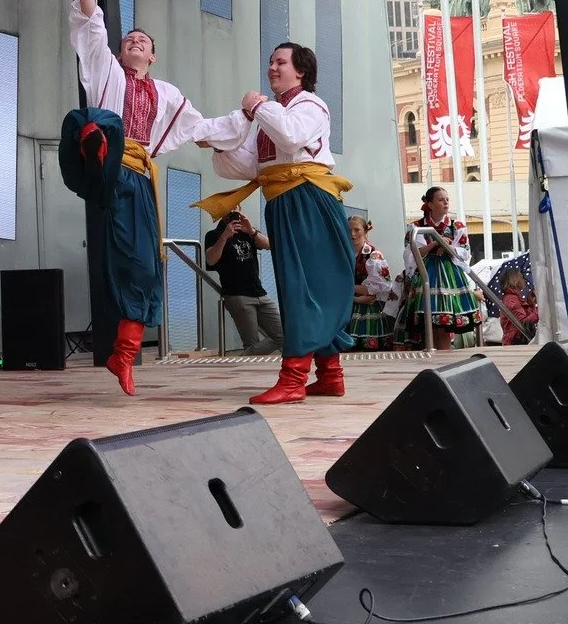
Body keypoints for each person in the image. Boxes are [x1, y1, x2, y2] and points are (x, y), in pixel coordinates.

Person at [63, 0, 210, 395]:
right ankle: (124, 353)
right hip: (113, 169)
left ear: (152, 56)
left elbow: (200, 126)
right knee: (131, 259)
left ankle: (124, 354)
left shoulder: (164, 93)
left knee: (148, 263)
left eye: (141, 40)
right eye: (128, 38)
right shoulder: (105, 71)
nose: (133, 42)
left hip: (141, 176)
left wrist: (247, 120)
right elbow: (91, 23)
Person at [192, 42, 355, 405]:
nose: (272, 67)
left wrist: (258, 107)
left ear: (301, 71)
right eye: (270, 61)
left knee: (302, 286)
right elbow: (249, 167)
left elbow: (292, 136)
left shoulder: (310, 104)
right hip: (283, 201)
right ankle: (330, 374)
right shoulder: (273, 116)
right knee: (302, 284)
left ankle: (294, 377)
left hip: (307, 197)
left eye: (280, 62)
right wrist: (219, 144)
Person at [396, 186, 480, 349]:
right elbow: (411, 253)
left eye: (447, 199)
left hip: (449, 275)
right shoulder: (416, 227)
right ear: (430, 204)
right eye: (440, 200)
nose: (446, 203)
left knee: (443, 322)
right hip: (427, 273)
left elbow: (464, 252)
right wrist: (435, 243)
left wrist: (447, 247)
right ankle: (432, 357)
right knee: (429, 322)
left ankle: (442, 358)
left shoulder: (456, 226)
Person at [204, 211, 282, 354]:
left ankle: (245, 357)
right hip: (237, 295)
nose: (235, 212)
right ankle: (246, 363)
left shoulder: (246, 232)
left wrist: (252, 231)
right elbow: (210, 260)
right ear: (223, 214)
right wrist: (224, 236)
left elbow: (270, 245)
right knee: (251, 341)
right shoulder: (213, 235)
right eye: (230, 209)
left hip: (259, 292)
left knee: (283, 335)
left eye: (237, 207)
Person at [346, 214, 395, 351]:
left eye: (357, 230)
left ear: (365, 231)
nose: (352, 234)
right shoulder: (343, 253)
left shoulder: (373, 254)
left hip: (369, 306)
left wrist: (351, 291)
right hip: (348, 304)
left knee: (369, 345)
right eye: (349, 230)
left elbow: (380, 286)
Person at [499, 267, 539, 344]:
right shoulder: (512, 299)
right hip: (515, 342)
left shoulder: (514, 297)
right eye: (522, 277)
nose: (524, 279)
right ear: (515, 279)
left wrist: (531, 303)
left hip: (515, 340)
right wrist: (539, 311)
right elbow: (524, 323)